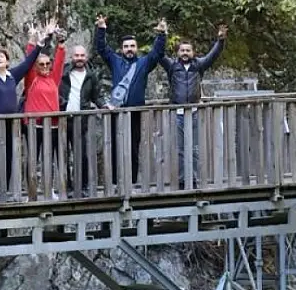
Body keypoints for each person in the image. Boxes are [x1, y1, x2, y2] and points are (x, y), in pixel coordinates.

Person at [0, 21, 56, 200]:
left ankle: (4, 192)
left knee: (7, 158)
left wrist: (40, 43)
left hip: (10, 125)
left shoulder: (12, 76)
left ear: (7, 61)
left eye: (1, 57)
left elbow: (29, 62)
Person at [94, 15, 168, 185]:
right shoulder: (115, 61)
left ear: (137, 48)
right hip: (116, 111)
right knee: (114, 148)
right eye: (126, 46)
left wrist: (162, 35)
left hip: (135, 112)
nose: (129, 49)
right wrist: (101, 28)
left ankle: (132, 183)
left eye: (132, 46)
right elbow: (102, 49)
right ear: (121, 49)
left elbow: (157, 53)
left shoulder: (143, 63)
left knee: (133, 149)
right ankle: (113, 184)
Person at [159, 24, 228, 187]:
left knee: (195, 148)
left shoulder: (198, 65)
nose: (185, 53)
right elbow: (159, 55)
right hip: (178, 112)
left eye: (188, 50)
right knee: (180, 149)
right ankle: (183, 180)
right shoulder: (172, 66)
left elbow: (213, 55)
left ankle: (195, 179)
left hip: (195, 112)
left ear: (193, 52)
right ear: (177, 53)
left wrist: (220, 40)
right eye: (182, 50)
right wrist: (162, 35)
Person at [21, 22, 66, 199]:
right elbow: (29, 59)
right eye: (42, 64)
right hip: (34, 126)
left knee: (50, 159)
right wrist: (33, 42)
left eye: (48, 64)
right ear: (37, 66)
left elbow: (60, 62)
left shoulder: (53, 78)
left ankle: (49, 190)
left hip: (53, 125)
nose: (45, 67)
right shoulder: (31, 78)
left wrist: (60, 43)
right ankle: (31, 193)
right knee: (32, 160)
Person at [59, 44, 108, 195]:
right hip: (63, 118)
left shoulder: (91, 75)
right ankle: (66, 187)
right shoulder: (63, 72)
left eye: (82, 56)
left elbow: (96, 95)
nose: (79, 59)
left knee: (82, 154)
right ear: (72, 57)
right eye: (76, 56)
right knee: (62, 154)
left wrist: (104, 105)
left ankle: (83, 186)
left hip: (82, 119)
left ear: (86, 57)